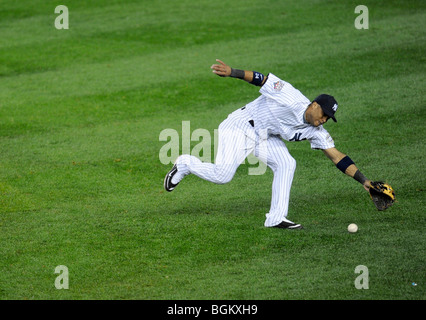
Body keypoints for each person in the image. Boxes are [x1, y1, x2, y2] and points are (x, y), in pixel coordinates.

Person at [164, 59, 371, 229]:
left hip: (266, 136)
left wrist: (365, 182)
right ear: (314, 105)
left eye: (328, 118)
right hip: (241, 126)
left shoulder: (315, 130)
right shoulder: (290, 97)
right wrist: (232, 72)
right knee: (222, 176)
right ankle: (185, 164)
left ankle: (275, 219)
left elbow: (337, 156)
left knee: (287, 164)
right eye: (324, 114)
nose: (324, 119)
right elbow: (260, 79)